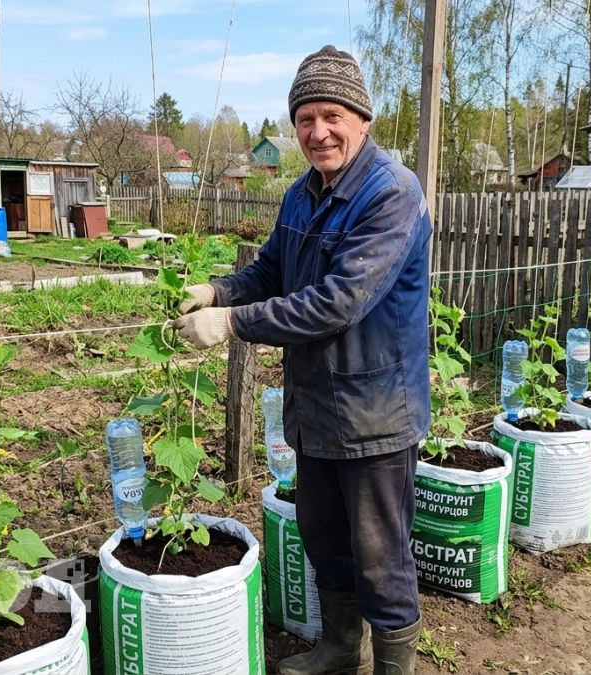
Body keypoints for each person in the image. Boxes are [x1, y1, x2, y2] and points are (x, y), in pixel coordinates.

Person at [173, 45, 431, 675]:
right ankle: (341, 649)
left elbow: (337, 303)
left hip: (374, 413)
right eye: (305, 119)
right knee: (324, 540)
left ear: (362, 119)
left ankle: (396, 667)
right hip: (316, 407)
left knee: (381, 556)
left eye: (332, 115)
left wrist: (232, 321)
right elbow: (271, 270)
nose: (318, 132)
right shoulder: (300, 195)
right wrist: (219, 289)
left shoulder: (391, 194)